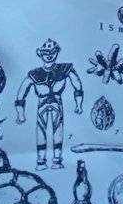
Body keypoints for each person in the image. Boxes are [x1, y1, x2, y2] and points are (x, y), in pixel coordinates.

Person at [15, 39, 83, 169]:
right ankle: (41, 161)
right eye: (46, 52)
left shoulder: (64, 69)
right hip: (42, 105)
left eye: (52, 51)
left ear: (57, 52)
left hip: (57, 104)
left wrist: (78, 104)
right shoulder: (34, 74)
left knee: (58, 131)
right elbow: (21, 93)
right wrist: (20, 114)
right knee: (41, 132)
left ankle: (57, 160)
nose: (49, 55)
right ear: (40, 54)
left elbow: (77, 85)